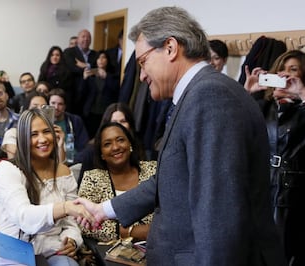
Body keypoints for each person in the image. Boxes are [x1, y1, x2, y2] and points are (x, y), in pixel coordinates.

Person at [74, 6, 285, 266]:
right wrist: (103, 210)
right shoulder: (198, 95)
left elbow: (218, 216)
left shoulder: (210, 97)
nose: (141, 75)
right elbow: (171, 180)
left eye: (143, 62)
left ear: (171, 48)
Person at [0, 108, 92, 266]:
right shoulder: (7, 170)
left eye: (46, 131)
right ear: (22, 138)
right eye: (34, 134)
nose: (42, 139)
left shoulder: (64, 172)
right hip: (12, 253)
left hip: (51, 250)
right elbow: (24, 217)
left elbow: (71, 224)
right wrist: (65, 207)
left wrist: (71, 241)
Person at [244, 50, 305, 265]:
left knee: (285, 253)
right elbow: (233, 132)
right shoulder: (263, 107)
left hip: (294, 196)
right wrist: (248, 93)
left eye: (293, 70)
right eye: (282, 70)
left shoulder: (302, 110)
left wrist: (302, 94)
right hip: (261, 190)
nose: (286, 75)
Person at [78, 122, 156, 242]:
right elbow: (85, 224)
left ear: (130, 144)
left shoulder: (153, 170)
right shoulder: (92, 178)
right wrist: (133, 231)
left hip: (157, 246)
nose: (115, 147)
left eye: (120, 140)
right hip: (110, 254)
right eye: (107, 144)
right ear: (102, 154)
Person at [77, 102, 145, 183]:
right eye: (114, 122)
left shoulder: (137, 146)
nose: (119, 125)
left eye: (123, 121)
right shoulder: (92, 151)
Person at [81, 50, 119, 138]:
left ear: (108, 60)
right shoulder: (91, 75)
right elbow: (81, 93)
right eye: (99, 58)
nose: (101, 60)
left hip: (105, 112)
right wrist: (84, 79)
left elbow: (116, 90)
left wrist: (107, 77)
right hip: (91, 111)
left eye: (103, 57)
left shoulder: (113, 76)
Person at [48, 88, 89, 163]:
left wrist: (73, 161)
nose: (56, 107)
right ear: (48, 104)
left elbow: (84, 147)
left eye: (60, 104)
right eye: (53, 103)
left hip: (74, 161)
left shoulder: (75, 120)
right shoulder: (43, 123)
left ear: (65, 106)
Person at [63, 29, 98, 114]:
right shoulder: (69, 52)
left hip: (90, 94)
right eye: (83, 37)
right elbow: (72, 68)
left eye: (88, 37)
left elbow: (97, 70)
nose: (86, 39)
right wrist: (89, 67)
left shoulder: (96, 54)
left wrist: (85, 65)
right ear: (78, 39)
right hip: (74, 93)